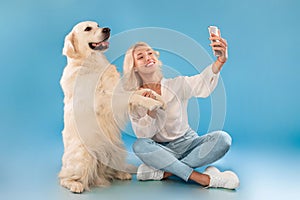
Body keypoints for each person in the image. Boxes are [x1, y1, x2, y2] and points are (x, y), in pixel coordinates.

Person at [122, 30, 239, 189]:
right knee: (139, 145)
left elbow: (202, 84)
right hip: (161, 150)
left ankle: (165, 172)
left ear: (157, 59)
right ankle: (204, 179)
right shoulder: (135, 99)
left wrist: (220, 61)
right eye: (140, 57)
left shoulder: (177, 84)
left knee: (223, 139)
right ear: (134, 68)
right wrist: (151, 113)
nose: (148, 57)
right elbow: (144, 135)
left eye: (150, 53)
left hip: (189, 143)